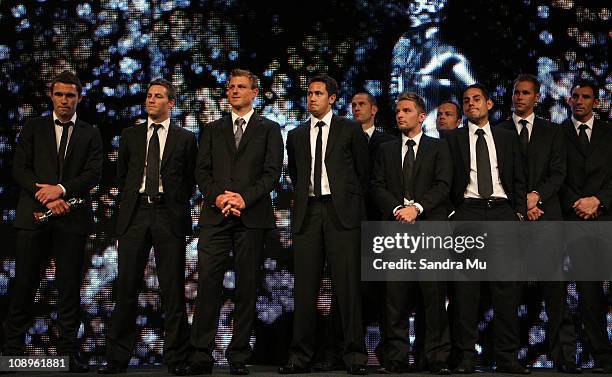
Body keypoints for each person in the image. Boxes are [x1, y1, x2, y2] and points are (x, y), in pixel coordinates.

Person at [5, 70, 102, 372]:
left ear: (79, 98)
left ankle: (67, 354)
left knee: (69, 287)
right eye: (59, 94)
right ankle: (11, 351)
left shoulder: (90, 132)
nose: (64, 100)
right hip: (33, 217)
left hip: (71, 220)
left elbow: (93, 174)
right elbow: (19, 169)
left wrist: (61, 191)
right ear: (52, 96)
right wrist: (46, 195)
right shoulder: (33, 128)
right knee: (24, 284)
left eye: (70, 95)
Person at [187, 69, 283, 376]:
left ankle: (238, 356)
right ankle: (201, 355)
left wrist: (244, 199)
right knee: (208, 286)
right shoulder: (212, 129)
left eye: (241, 87)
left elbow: (272, 174)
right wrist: (219, 198)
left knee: (246, 287)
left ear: (255, 92)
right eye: (231, 87)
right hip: (216, 218)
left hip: (251, 217)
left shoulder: (269, 129)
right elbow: (202, 172)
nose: (234, 91)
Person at [99, 78, 197, 375]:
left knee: (172, 291)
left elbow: (190, 179)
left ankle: (176, 359)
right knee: (126, 287)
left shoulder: (185, 138)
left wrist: (173, 202)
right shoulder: (130, 135)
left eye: (158, 96)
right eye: (149, 96)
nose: (151, 100)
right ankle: (117, 359)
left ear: (171, 103)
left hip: (169, 215)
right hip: (135, 215)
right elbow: (123, 176)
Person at [280, 74, 369, 375]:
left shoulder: (350, 129)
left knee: (347, 288)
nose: (312, 98)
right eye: (309, 93)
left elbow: (362, 171)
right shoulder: (295, 135)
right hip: (309, 213)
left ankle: (355, 356)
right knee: (305, 289)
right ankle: (300, 356)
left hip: (342, 213)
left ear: (332, 98)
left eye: (318, 93)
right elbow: (294, 172)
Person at [444, 84, 528, 374]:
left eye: (476, 99)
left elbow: (519, 178)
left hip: (502, 212)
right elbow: (445, 180)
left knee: (506, 290)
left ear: (490, 104)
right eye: (466, 101)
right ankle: (465, 356)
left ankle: (506, 356)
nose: (471, 104)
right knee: (466, 289)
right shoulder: (452, 139)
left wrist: (518, 213)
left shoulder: (507, 137)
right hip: (467, 213)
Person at [496, 74, 577, 373]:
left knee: (555, 291)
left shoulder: (553, 132)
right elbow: (496, 175)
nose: (519, 97)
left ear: (537, 97)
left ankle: (564, 356)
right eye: (516, 92)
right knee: (508, 293)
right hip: (511, 219)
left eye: (525, 93)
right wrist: (521, 205)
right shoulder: (498, 130)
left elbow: (559, 172)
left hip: (546, 218)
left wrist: (536, 198)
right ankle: (506, 357)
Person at [371, 92, 452, 374]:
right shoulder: (386, 150)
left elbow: (443, 185)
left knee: (432, 297)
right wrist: (397, 209)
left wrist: (417, 208)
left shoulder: (438, 148)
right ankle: (396, 358)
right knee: (395, 299)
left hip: (430, 230)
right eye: (397, 111)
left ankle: (436, 358)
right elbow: (377, 186)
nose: (400, 115)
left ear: (421, 116)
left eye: (406, 110)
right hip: (395, 231)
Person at [559, 79, 612, 373]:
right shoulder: (557, 134)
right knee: (589, 295)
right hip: (576, 222)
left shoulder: (609, 133)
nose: (580, 101)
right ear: (569, 100)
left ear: (595, 101)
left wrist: (599, 201)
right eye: (575, 96)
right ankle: (603, 358)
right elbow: (555, 173)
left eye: (586, 97)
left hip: (607, 218)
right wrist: (578, 202)